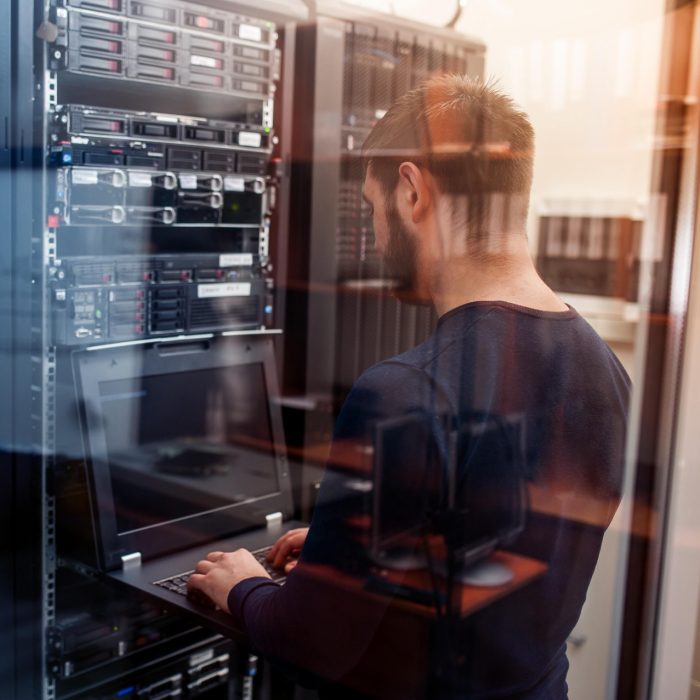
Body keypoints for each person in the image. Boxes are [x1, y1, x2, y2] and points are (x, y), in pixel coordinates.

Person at [187, 76, 630, 699]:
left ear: (413, 189)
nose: (374, 237)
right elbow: (496, 548)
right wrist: (345, 551)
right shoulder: (605, 367)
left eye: (372, 208)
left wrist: (242, 583)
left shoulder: (403, 391)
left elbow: (314, 644)